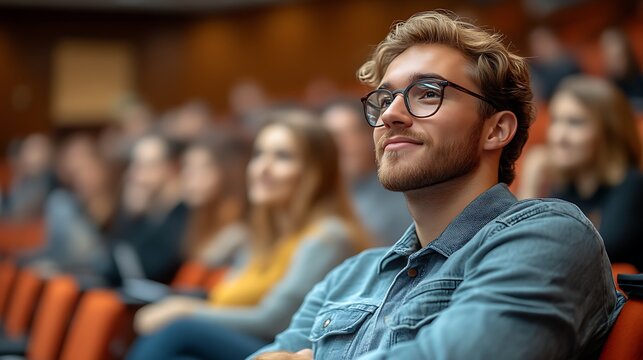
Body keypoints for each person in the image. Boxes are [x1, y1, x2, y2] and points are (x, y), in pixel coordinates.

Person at [251, 11, 624, 360]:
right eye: (384, 99)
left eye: (428, 92)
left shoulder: (551, 234)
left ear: (496, 130)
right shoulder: (349, 276)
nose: (391, 115)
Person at [126, 110, 370, 360]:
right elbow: (226, 295)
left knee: (178, 330)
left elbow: (274, 320)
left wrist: (185, 311)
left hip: (282, 349)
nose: (262, 168)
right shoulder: (266, 235)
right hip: (246, 340)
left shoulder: (328, 236)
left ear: (315, 172)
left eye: (282, 157)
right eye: (258, 154)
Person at [519, 75, 643, 270]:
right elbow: (520, 248)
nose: (559, 136)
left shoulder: (633, 185)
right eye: (556, 121)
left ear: (608, 132)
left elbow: (591, 253)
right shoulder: (566, 187)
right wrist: (530, 184)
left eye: (575, 123)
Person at [102, 133, 189, 287]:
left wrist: (131, 218)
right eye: (134, 165)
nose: (134, 175)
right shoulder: (150, 214)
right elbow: (109, 264)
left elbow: (148, 270)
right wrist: (130, 215)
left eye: (145, 166)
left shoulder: (184, 216)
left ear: (172, 168)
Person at [321, 99, 410, 246]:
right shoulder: (317, 197)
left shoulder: (400, 195)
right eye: (334, 136)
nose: (343, 144)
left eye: (353, 132)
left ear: (369, 137)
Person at [180, 130, 250, 267]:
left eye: (203, 167)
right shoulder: (199, 216)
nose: (188, 176)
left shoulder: (239, 232)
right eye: (187, 166)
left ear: (230, 171)